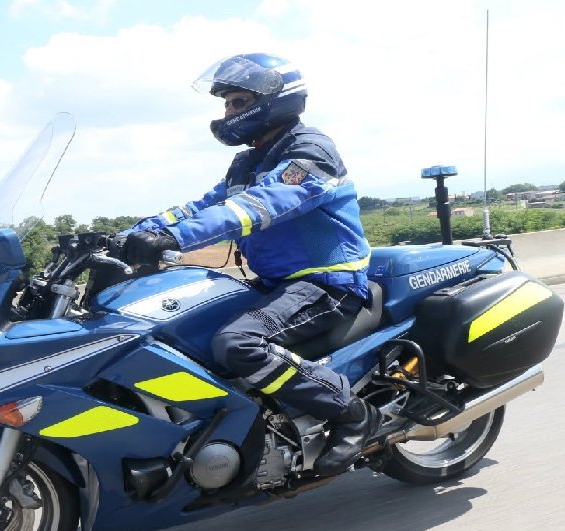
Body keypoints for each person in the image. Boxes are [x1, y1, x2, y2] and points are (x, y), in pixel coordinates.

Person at [119, 52, 380, 476]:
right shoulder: (248, 160)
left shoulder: (309, 150)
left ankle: (350, 413)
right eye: (226, 104)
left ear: (276, 100)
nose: (228, 113)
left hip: (325, 284)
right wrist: (134, 233)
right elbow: (203, 205)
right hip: (277, 284)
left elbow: (262, 203)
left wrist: (175, 239)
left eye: (238, 102)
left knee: (237, 343)